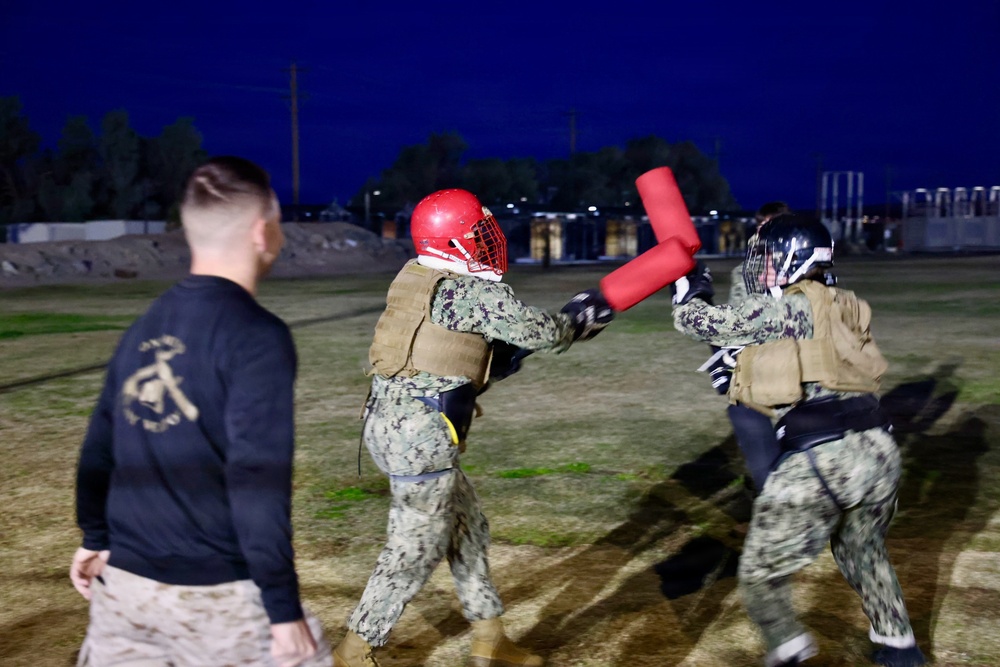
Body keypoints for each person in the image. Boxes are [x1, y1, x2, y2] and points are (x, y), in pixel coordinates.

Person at [333, 188, 612, 667]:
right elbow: (539, 331)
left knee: (468, 529)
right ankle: (353, 651)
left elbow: (447, 350)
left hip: (392, 425)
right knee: (413, 550)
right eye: (478, 234)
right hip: (418, 440)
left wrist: (499, 358)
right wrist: (576, 319)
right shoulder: (464, 290)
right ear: (455, 242)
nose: (489, 241)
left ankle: (490, 639)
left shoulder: (419, 278)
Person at [71, 156, 331, 667]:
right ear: (262, 232)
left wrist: (95, 538)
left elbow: (98, 448)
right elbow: (256, 478)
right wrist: (283, 612)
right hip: (220, 599)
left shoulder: (142, 328)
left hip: (125, 593)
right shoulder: (257, 336)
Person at [671, 214, 925, 667]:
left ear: (795, 259)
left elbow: (699, 322)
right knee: (863, 552)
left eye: (768, 260)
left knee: (759, 573)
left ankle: (788, 648)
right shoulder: (845, 303)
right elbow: (802, 362)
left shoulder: (794, 306)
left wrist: (689, 289)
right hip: (879, 450)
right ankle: (898, 645)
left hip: (824, 459)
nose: (761, 269)